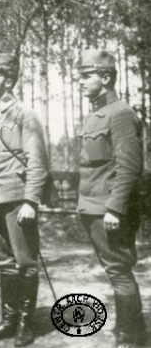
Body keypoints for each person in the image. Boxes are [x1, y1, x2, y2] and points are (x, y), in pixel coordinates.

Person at [77, 49, 147, 348]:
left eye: (86, 76)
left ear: (106, 77)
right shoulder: (96, 114)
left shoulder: (120, 113)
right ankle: (132, 328)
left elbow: (129, 167)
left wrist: (115, 209)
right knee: (115, 270)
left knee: (119, 270)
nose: (80, 82)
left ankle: (130, 338)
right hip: (93, 207)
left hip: (110, 209)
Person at [0, 53, 49, 346]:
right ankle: (8, 320)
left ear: (8, 80)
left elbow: (37, 161)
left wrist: (31, 201)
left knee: (25, 262)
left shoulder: (24, 114)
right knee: (4, 262)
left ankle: (25, 322)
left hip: (17, 200)